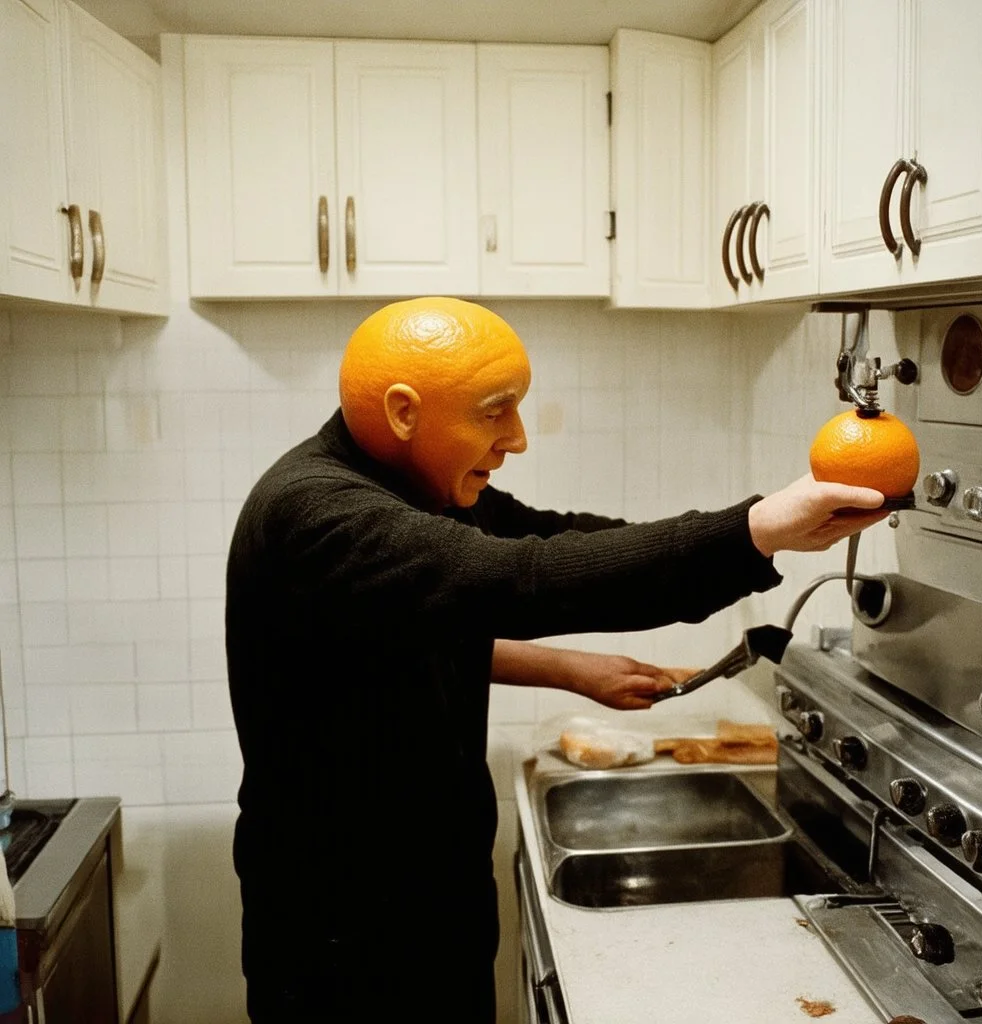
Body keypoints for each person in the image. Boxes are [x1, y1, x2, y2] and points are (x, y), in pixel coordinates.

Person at [225, 296, 886, 1022]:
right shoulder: (321, 513)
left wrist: (572, 668)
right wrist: (754, 533)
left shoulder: (413, 485)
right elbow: (523, 578)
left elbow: (543, 543)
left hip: (425, 890)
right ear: (405, 412)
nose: (517, 438)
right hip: (345, 930)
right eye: (494, 411)